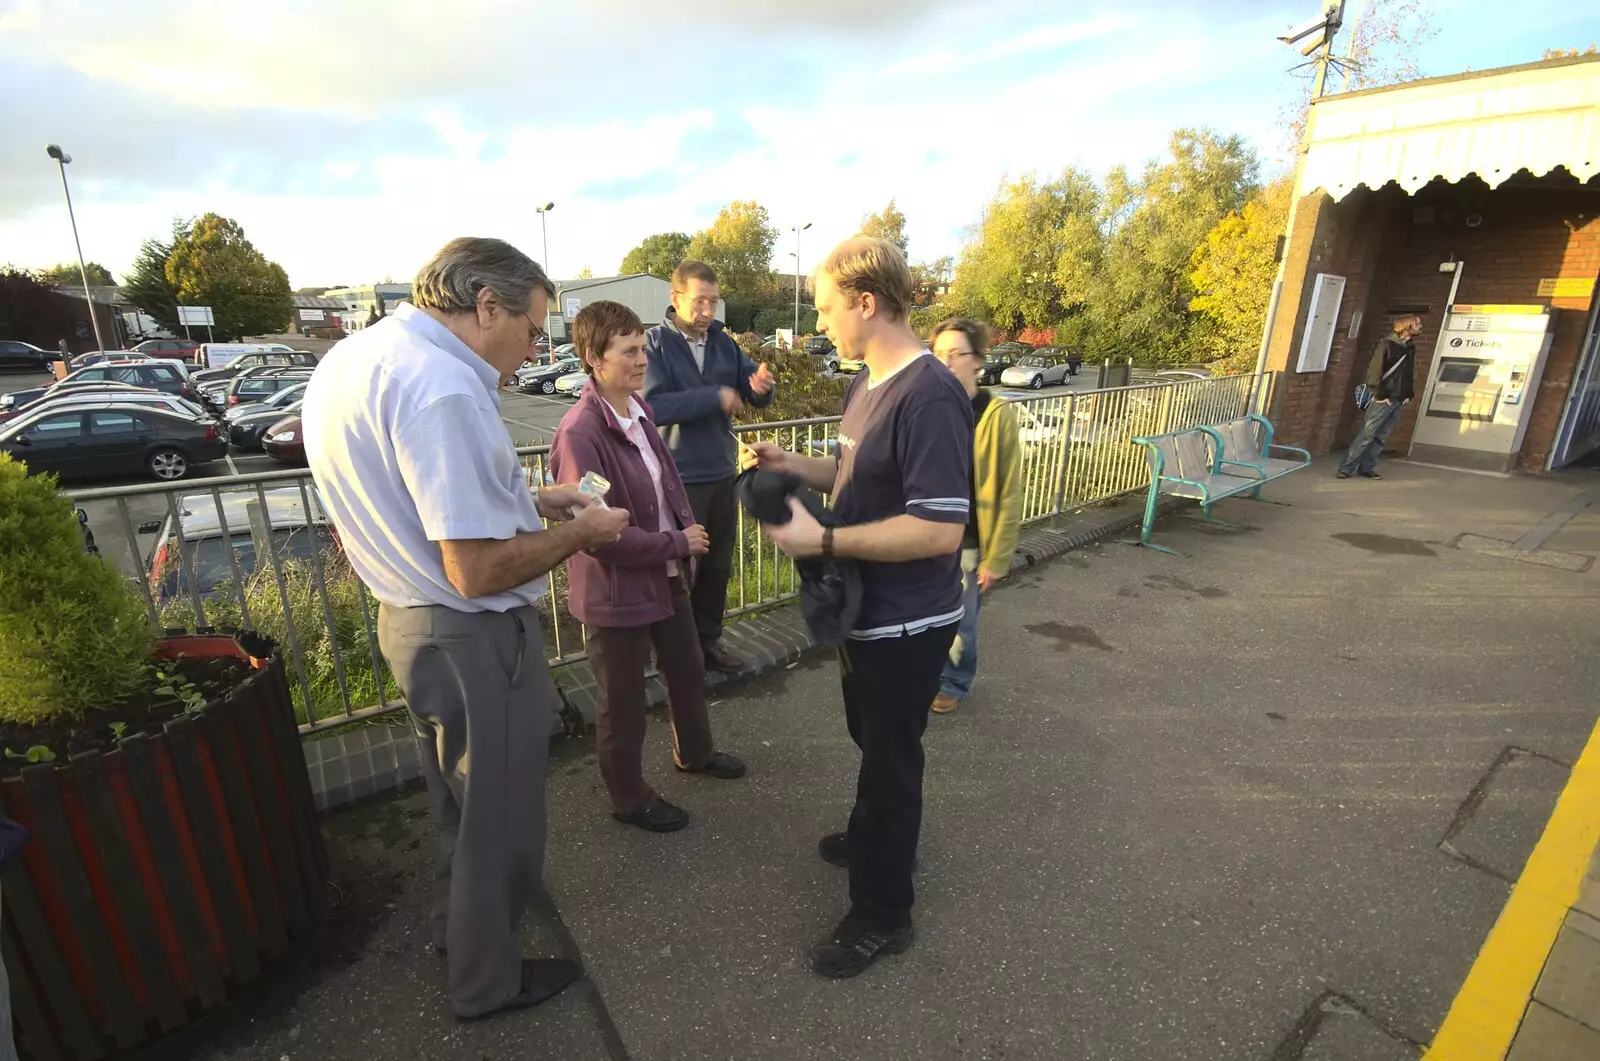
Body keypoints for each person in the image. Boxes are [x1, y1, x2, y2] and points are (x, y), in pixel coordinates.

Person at [302, 237, 631, 1021]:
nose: (533, 350)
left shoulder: (358, 356)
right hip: (469, 634)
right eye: (531, 328)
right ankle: (488, 980)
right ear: (487, 303)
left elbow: (423, 497)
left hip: (407, 623)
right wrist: (582, 534)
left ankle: (465, 935)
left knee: (458, 803)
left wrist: (532, 499)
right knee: (501, 815)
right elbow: (476, 569)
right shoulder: (445, 387)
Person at [752, 236, 972, 979]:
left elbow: (941, 526)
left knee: (890, 763)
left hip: (907, 622)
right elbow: (851, 471)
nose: (821, 323)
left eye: (824, 307)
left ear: (866, 303)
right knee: (870, 737)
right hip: (864, 611)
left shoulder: (929, 394)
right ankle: (875, 830)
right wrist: (795, 466)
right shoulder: (866, 382)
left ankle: (883, 914)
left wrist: (829, 535)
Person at [549, 301, 747, 833]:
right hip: (617, 590)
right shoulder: (580, 434)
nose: (642, 360)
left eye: (642, 347)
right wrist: (674, 541)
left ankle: (696, 753)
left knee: (686, 669)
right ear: (594, 358)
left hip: (664, 573)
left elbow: (664, 484)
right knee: (623, 702)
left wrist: (679, 539)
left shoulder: (640, 411)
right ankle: (629, 798)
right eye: (629, 351)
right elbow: (593, 534)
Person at [643, 261, 776, 675]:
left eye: (713, 302)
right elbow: (653, 406)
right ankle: (673, 653)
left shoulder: (724, 343)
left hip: (721, 471)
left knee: (718, 564)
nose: (707, 311)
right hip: (677, 476)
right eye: (699, 301)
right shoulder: (654, 344)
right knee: (679, 569)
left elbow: (750, 392)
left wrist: (760, 389)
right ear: (675, 298)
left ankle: (708, 643)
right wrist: (715, 397)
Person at [928, 318, 1022, 714]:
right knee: (925, 619)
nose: (946, 362)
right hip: (925, 536)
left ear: (978, 361)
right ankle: (925, 677)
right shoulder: (927, 408)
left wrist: (996, 557)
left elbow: (1008, 490)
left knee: (961, 626)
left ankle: (954, 681)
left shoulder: (995, 415)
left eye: (956, 354)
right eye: (938, 354)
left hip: (967, 540)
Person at [1339, 314, 1422, 480]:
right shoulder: (1386, 345)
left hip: (1398, 399)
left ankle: (1366, 468)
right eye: (1418, 324)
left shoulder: (1409, 347)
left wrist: (1408, 394)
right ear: (1407, 326)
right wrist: (1379, 394)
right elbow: (1374, 372)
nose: (1421, 326)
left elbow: (1407, 373)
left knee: (1381, 437)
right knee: (1367, 434)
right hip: (1383, 399)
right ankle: (1346, 468)